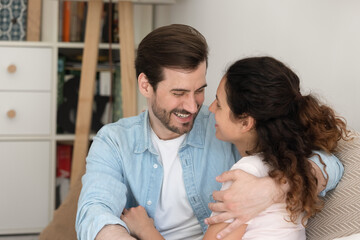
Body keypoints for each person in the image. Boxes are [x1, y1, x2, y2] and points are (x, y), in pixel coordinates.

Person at [75, 25, 344, 240]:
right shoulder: (114, 140)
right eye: (179, 93)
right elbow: (94, 210)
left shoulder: (227, 129)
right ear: (146, 85)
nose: (193, 106)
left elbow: (329, 163)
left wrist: (274, 187)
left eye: (200, 90)